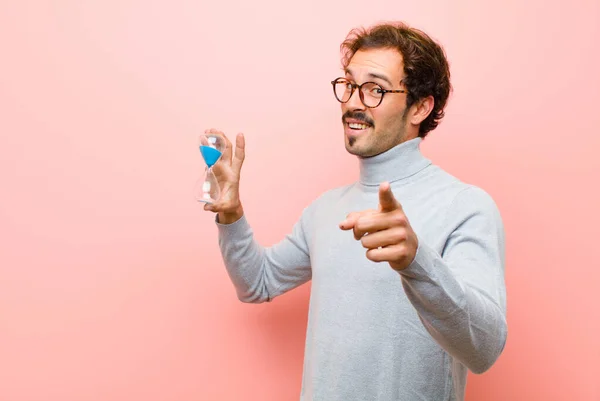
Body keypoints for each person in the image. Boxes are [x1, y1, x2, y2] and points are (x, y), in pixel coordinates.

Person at [203, 21, 507, 401]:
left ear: (420, 107)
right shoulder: (326, 208)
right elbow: (257, 283)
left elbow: (484, 350)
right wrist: (231, 214)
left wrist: (417, 261)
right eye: (348, 85)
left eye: (374, 89)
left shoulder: (465, 206)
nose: (352, 102)